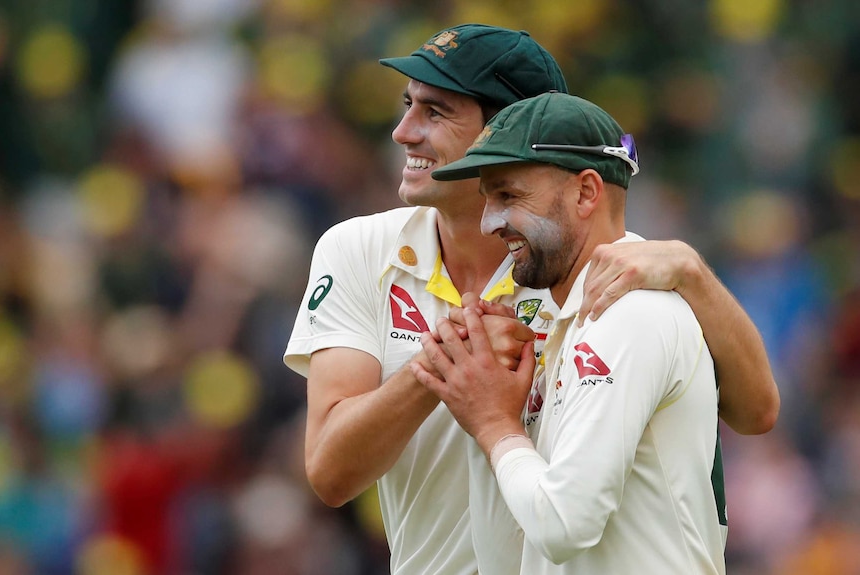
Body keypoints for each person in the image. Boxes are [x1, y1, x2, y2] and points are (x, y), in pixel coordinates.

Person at [284, 24, 778, 575]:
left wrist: (695, 274)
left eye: (436, 112)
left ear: (508, 128)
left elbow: (756, 411)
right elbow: (331, 473)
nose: (403, 132)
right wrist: (445, 364)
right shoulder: (357, 248)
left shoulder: (609, 270)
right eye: (408, 106)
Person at [416, 91, 728, 573]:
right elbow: (510, 555)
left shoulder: (631, 315)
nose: (489, 222)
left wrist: (494, 424)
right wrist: (495, 408)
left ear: (586, 193)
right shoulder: (554, 319)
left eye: (509, 196)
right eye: (486, 198)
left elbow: (565, 525)